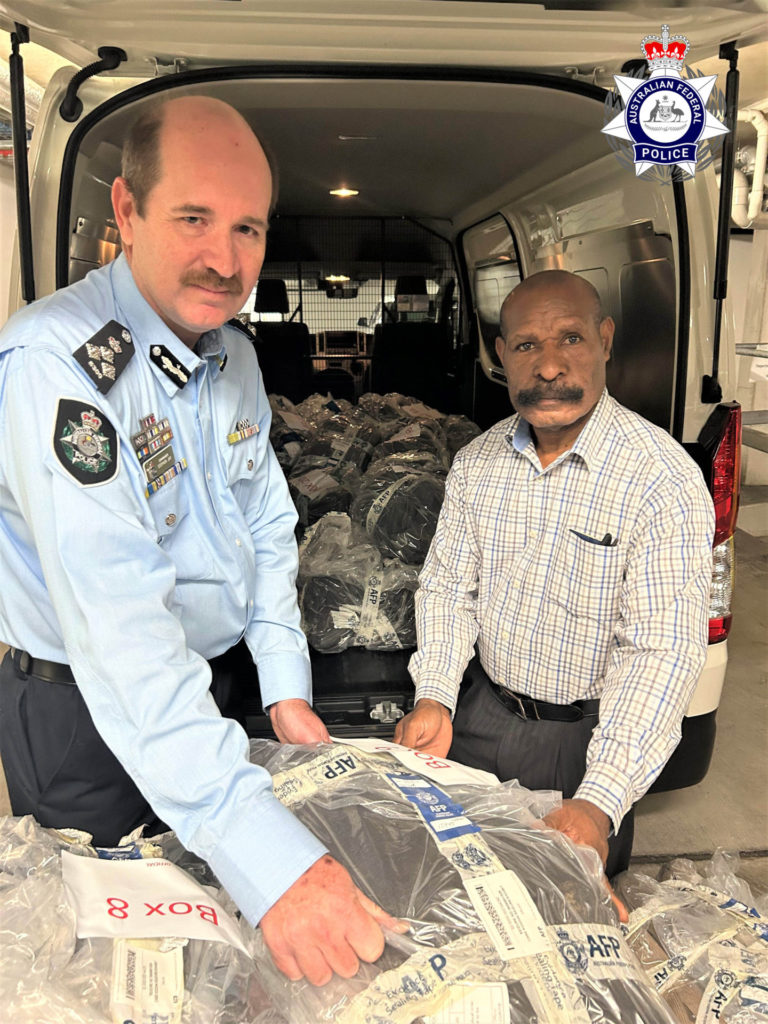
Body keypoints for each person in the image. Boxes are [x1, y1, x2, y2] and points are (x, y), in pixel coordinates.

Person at [0, 95, 406, 986]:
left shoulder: (230, 353)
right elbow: (123, 636)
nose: (225, 261)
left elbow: (264, 521)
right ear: (126, 211)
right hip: (89, 720)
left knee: (217, 962)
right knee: (112, 969)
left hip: (215, 691)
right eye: (193, 218)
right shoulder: (57, 368)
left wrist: (285, 681)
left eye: (248, 229)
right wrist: (278, 864)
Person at [394, 270, 714, 881]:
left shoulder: (660, 479)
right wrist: (435, 694)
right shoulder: (477, 463)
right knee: (459, 887)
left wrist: (601, 797)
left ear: (605, 341)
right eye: (526, 346)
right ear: (500, 355)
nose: (547, 368)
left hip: (589, 742)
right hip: (478, 714)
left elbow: (661, 651)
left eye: (570, 339)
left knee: (569, 908)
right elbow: (446, 588)